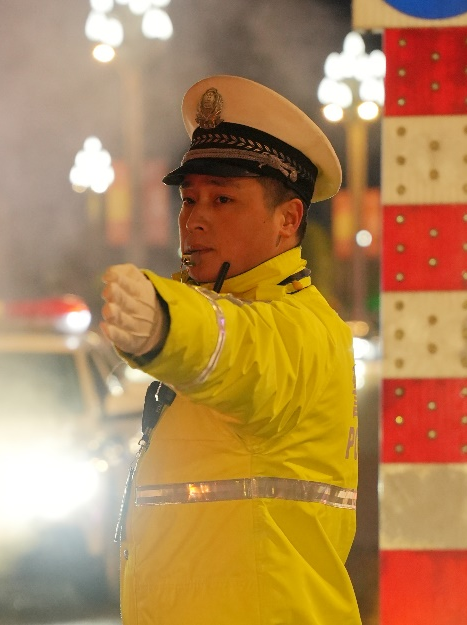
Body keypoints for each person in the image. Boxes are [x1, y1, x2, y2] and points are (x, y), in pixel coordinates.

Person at [100, 75, 361, 624]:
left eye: (223, 199)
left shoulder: (304, 328)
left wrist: (164, 322)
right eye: (189, 198)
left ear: (288, 219)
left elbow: (241, 350)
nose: (194, 218)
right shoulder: (238, 309)